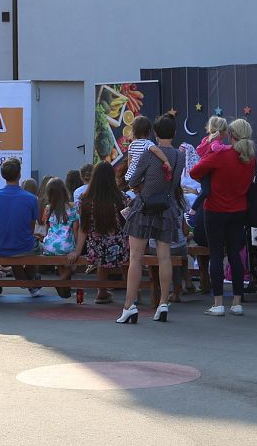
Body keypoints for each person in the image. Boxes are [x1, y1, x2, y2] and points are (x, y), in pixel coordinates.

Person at [118, 114, 184, 324]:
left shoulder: (148, 154)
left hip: (144, 207)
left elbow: (132, 180)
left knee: (135, 258)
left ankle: (129, 306)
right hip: (167, 208)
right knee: (164, 257)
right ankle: (163, 303)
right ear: (174, 132)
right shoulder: (180, 156)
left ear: (155, 133)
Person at [190, 118, 256, 317]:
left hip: (215, 210)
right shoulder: (250, 158)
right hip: (239, 211)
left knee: (216, 254)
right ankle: (237, 302)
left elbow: (194, 171)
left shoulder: (221, 154)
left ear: (231, 135)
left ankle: (218, 303)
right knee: (235, 255)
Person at [68, 161, 128, 304]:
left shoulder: (85, 200)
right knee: (127, 258)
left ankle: (101, 291)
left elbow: (83, 228)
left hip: (96, 248)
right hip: (120, 245)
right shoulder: (121, 197)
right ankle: (132, 291)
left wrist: (77, 251)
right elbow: (128, 221)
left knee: (102, 258)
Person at [0, 158, 42, 296]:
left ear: (2, 175)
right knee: (36, 246)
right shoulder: (31, 198)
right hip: (23, 245)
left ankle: (26, 281)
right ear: (19, 174)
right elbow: (31, 228)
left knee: (17, 248)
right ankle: (32, 280)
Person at [122, 115, 172, 187]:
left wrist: (131, 172)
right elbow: (156, 150)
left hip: (131, 175)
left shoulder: (132, 145)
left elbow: (130, 161)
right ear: (149, 131)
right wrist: (166, 160)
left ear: (133, 132)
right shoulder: (147, 143)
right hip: (141, 176)